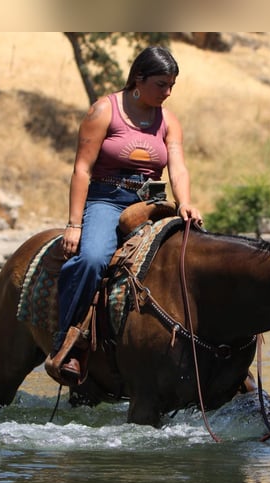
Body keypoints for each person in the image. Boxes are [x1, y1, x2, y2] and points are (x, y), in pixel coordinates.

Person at [45, 45, 203, 385]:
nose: (168, 92)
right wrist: (74, 224)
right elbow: (82, 170)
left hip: (152, 203)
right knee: (91, 259)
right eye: (161, 84)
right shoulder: (105, 110)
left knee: (196, 259)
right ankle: (69, 342)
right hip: (107, 200)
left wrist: (185, 201)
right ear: (138, 79)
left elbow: (177, 168)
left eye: (172, 85)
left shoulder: (168, 120)